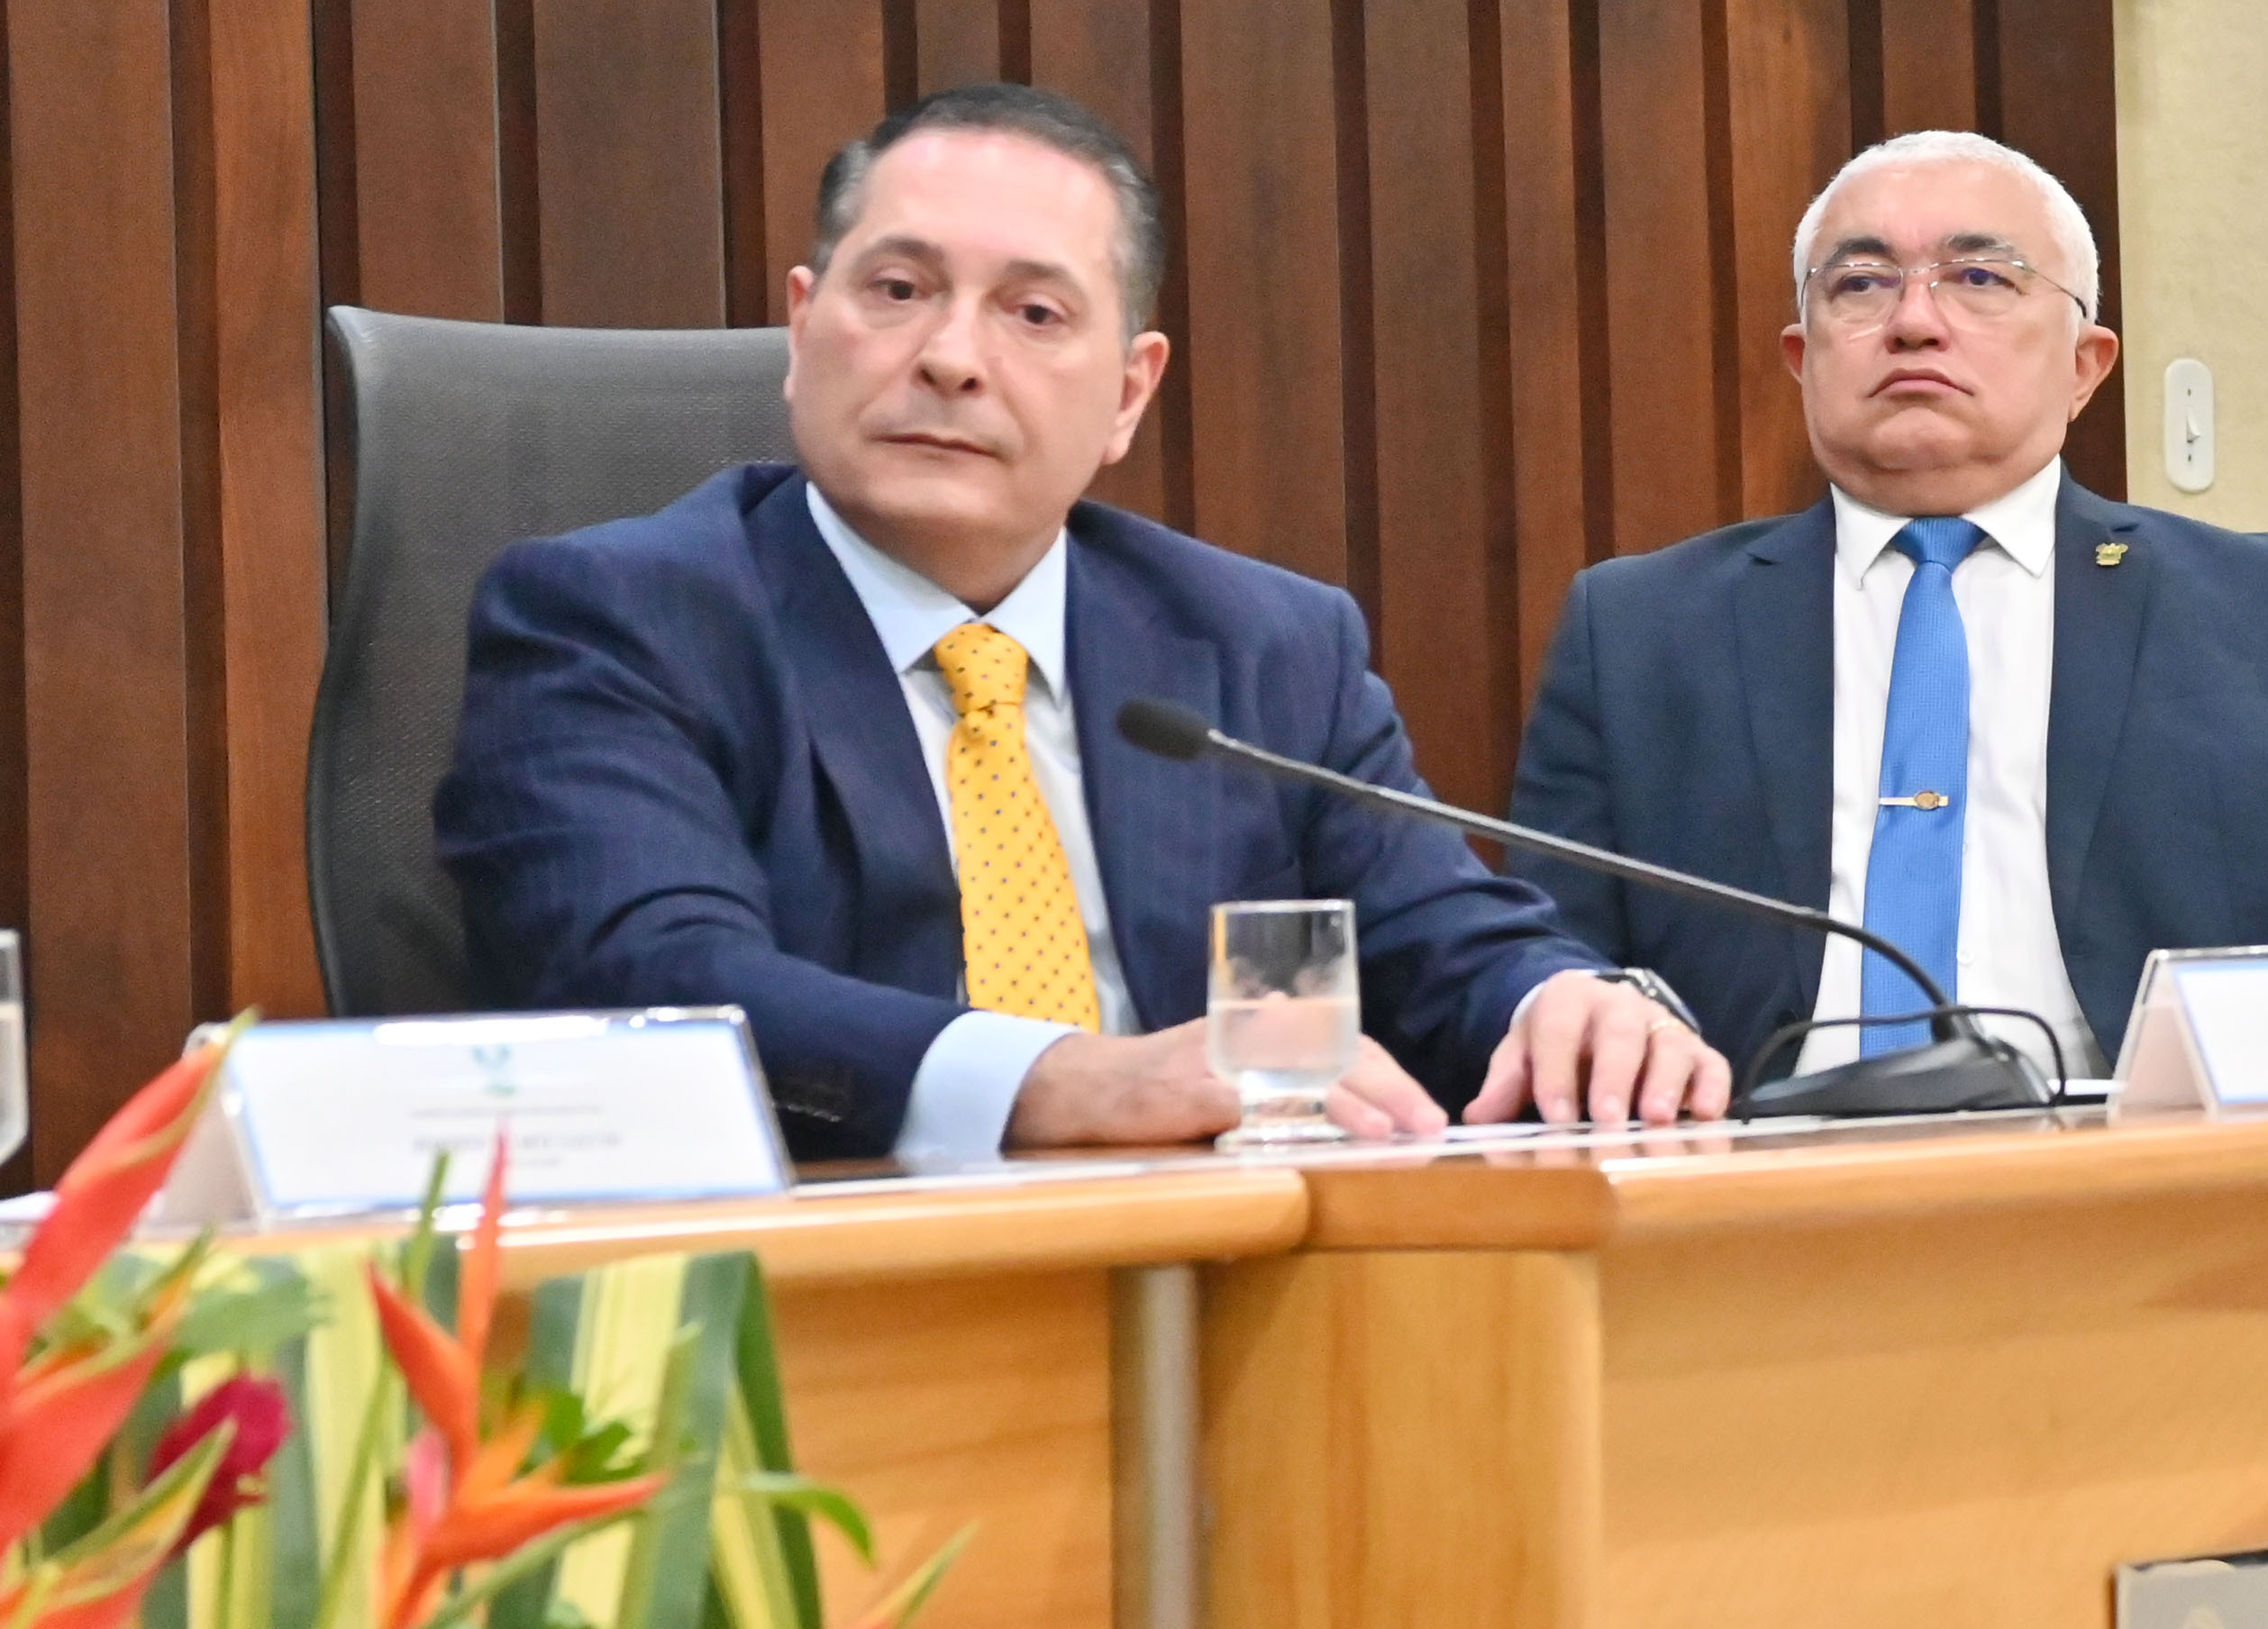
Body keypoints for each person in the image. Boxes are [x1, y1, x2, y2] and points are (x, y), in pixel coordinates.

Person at [446, 85, 1725, 1162]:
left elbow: (1436, 943)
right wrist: (1063, 1081)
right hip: (821, 1303)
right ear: (801, 326)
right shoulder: (621, 619)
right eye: (897, 289)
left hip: (1229, 1299)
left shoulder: (1259, 648)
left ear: (1127, 393)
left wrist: (1561, 1004)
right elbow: (656, 984)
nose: (950, 356)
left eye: (1034, 313)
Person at [1507, 128, 2268, 1079]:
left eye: (1979, 277)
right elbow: (1552, 954)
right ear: (1802, 357)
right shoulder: (1639, 629)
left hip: (2147, 1175)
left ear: (2086, 365)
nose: (1914, 319)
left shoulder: (2267, 607)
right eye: (1860, 283)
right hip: (1745, 1187)